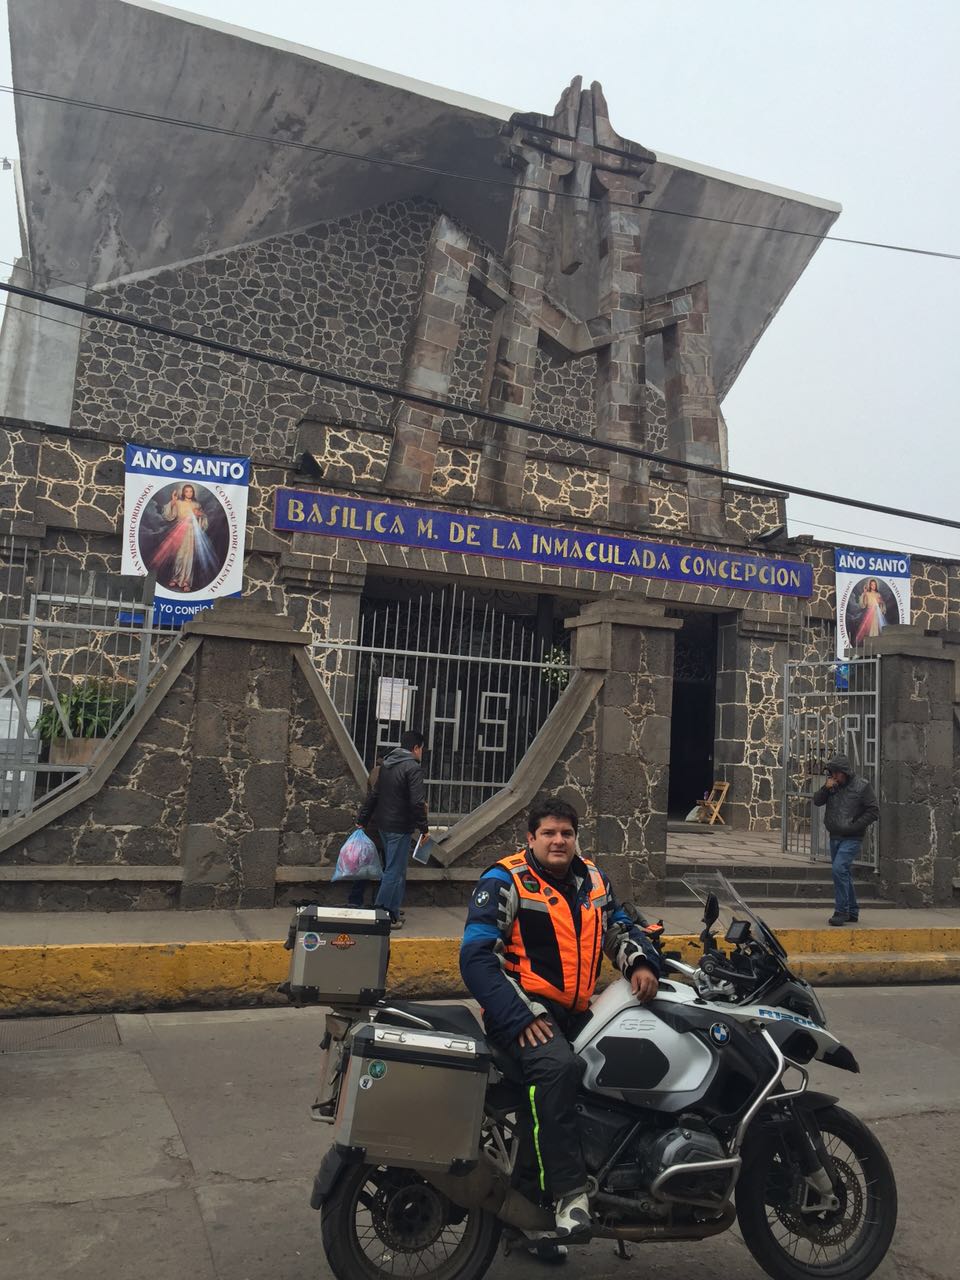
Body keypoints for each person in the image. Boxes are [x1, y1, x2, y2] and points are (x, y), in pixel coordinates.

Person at [459, 796, 661, 1243]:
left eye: (566, 833)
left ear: (575, 838)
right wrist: (519, 1015)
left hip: (573, 1011)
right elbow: (476, 957)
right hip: (521, 1009)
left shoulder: (593, 881)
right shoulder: (505, 880)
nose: (558, 841)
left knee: (624, 1062)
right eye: (548, 833)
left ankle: (596, 1185)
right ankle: (569, 1194)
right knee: (557, 1069)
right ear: (530, 838)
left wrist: (640, 963)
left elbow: (618, 927)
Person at [355, 730, 428, 929]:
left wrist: (362, 819)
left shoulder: (387, 765)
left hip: (383, 826)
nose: (421, 753)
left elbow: (374, 795)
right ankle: (383, 915)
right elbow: (417, 802)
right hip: (400, 827)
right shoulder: (413, 768)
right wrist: (424, 828)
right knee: (393, 872)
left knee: (397, 871)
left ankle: (393, 913)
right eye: (421, 749)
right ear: (416, 748)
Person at [813, 755, 879, 926]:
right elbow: (817, 801)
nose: (834, 776)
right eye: (832, 773)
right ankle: (852, 911)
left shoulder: (862, 786)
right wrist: (825, 788)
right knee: (843, 873)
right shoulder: (831, 786)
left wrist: (855, 826)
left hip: (852, 837)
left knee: (839, 869)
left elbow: (873, 811)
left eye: (837, 773)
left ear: (845, 772)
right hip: (835, 835)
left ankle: (841, 911)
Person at [854, 578, 886, 645]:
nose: (873, 586)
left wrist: (880, 602)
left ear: (876, 585)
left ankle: (876, 645)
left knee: (877, 630)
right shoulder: (867, 594)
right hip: (869, 614)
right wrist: (864, 593)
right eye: (872, 585)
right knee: (869, 630)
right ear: (870, 586)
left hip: (877, 614)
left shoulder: (878, 594)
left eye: (874, 585)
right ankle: (869, 646)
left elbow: (882, 606)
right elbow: (864, 604)